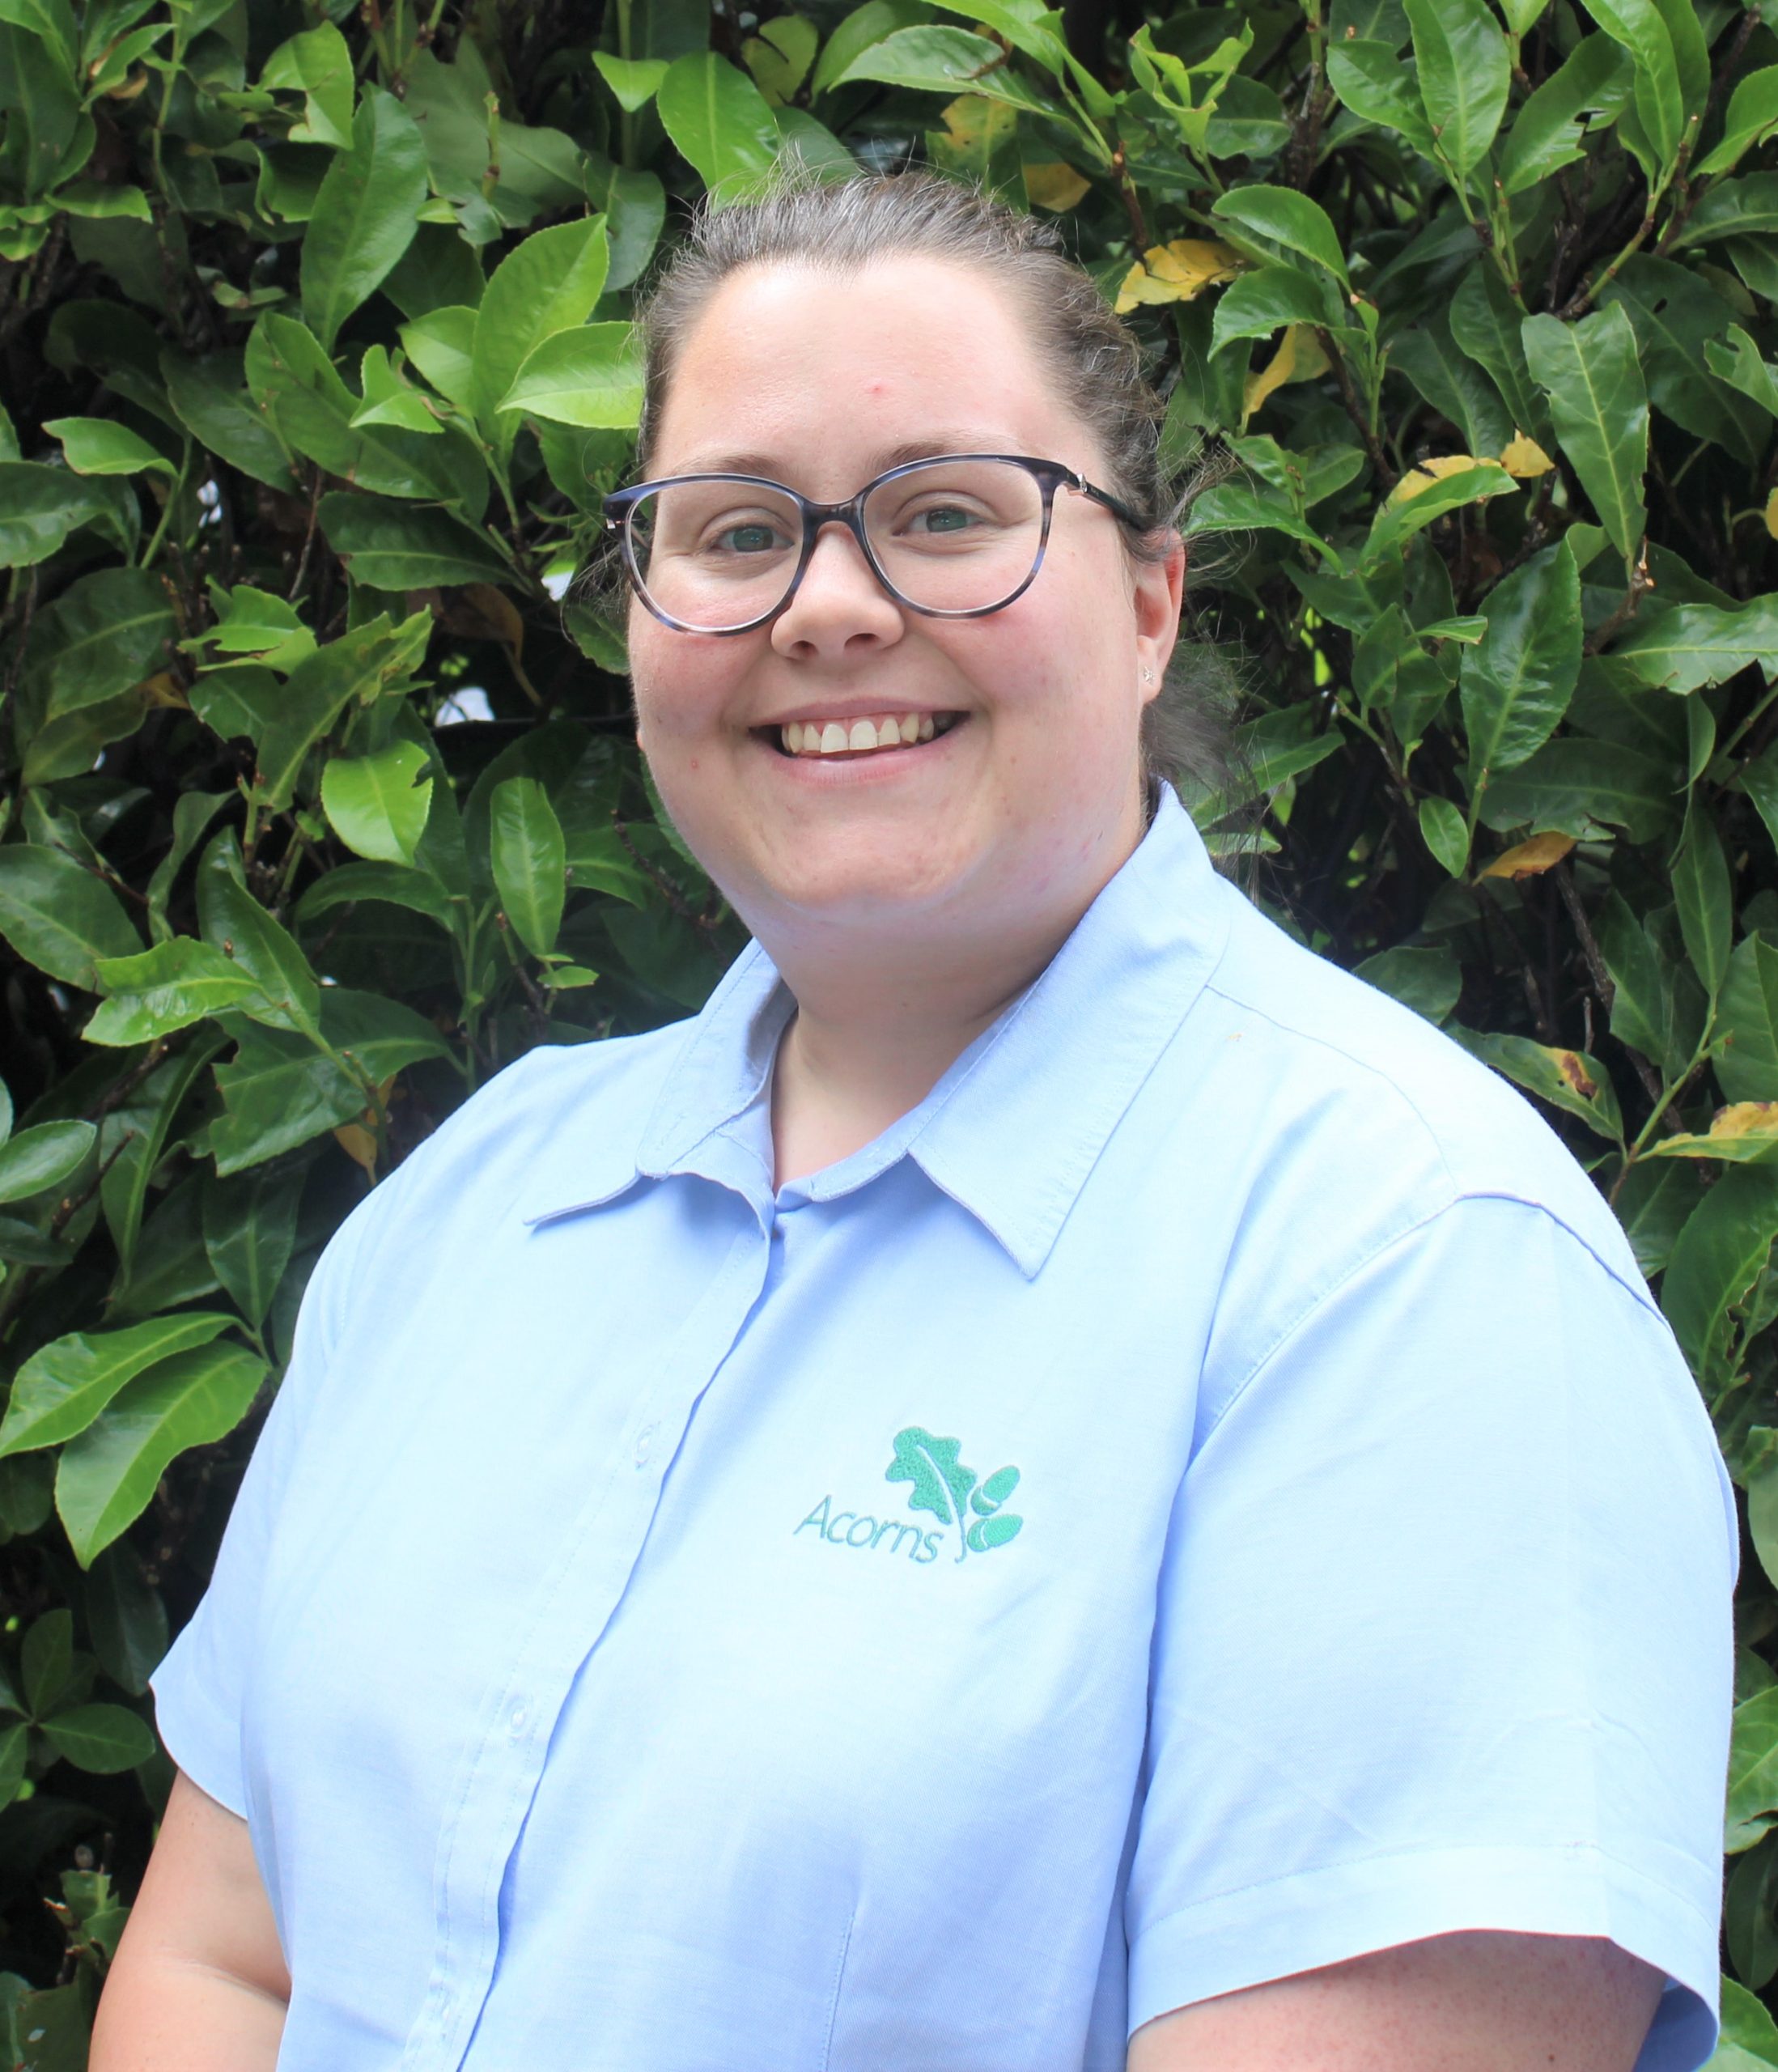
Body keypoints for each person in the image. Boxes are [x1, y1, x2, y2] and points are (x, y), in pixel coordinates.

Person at [95, 170, 1737, 2072]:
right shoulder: (470, 1209)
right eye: (732, 531)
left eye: (947, 515)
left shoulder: (1412, 1273)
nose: (830, 606)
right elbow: (233, 1963)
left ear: (1146, 601)